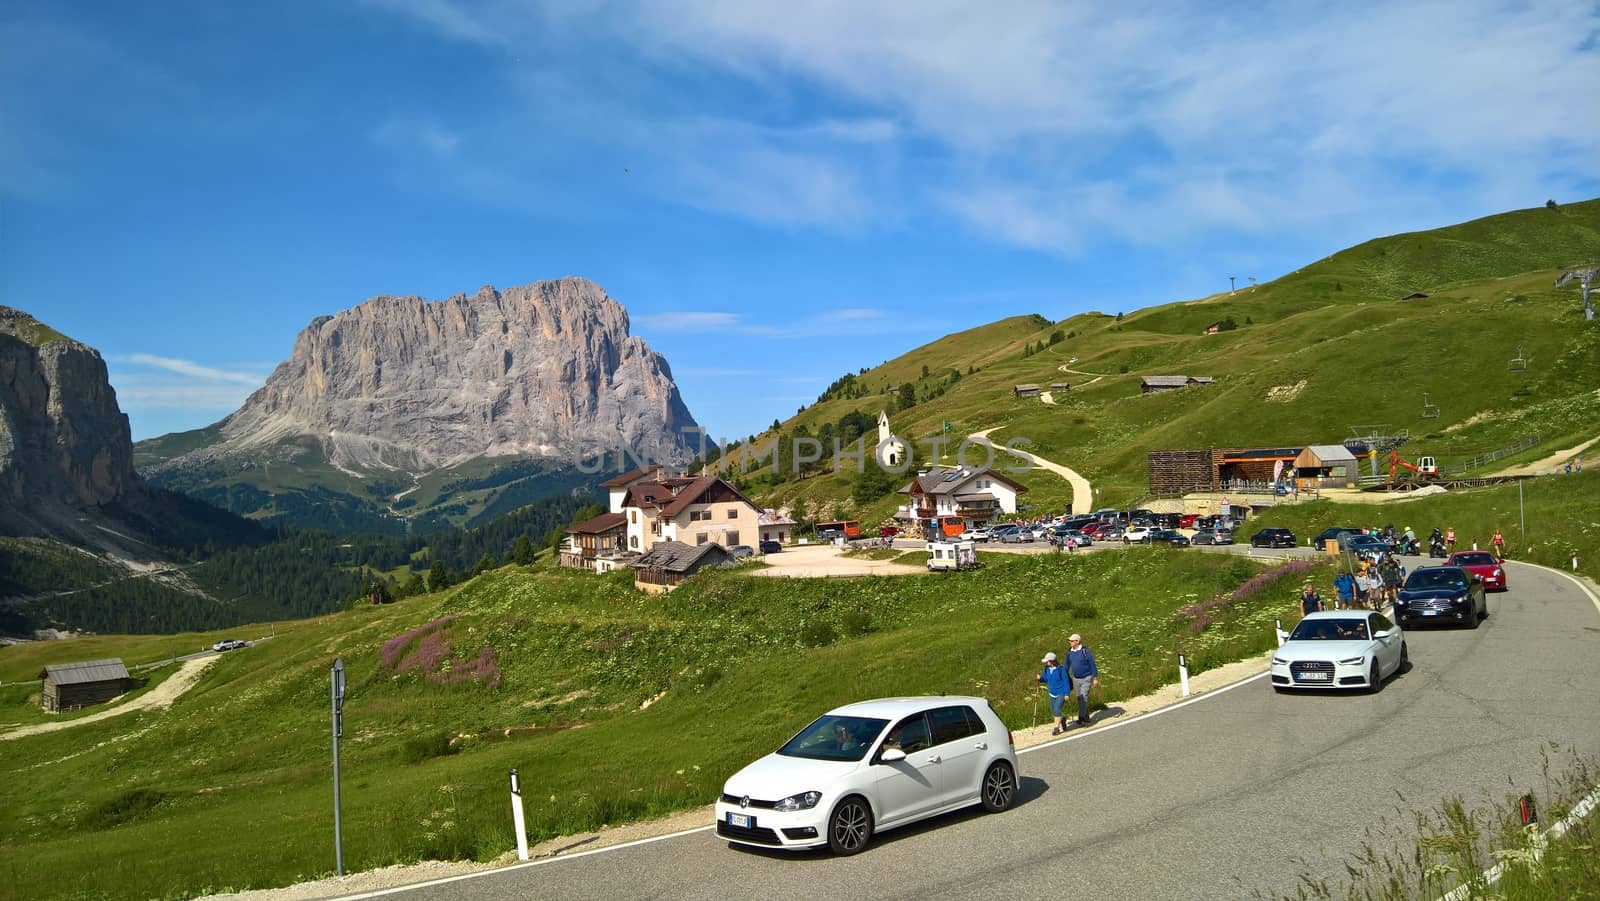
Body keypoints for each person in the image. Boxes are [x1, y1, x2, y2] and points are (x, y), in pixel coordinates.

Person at [1065, 634, 1099, 726]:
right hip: (1076, 679)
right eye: (1069, 641)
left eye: (1071, 641)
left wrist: (1095, 678)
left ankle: (1081, 718)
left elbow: (1092, 665)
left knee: (1084, 697)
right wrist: (1063, 675)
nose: (1070, 642)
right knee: (1080, 699)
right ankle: (1086, 718)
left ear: (1077, 641)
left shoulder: (1085, 651)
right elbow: (1067, 666)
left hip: (1086, 678)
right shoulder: (1069, 652)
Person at [1038, 651, 1072, 735]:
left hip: (1061, 692)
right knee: (1054, 711)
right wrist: (1040, 679)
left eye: (1047, 661)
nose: (1046, 663)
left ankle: (1056, 728)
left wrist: (1067, 694)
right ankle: (1062, 719)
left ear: (1052, 661)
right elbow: (1045, 679)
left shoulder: (1061, 669)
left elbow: (1066, 682)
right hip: (1051, 693)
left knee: (1057, 710)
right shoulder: (1046, 669)